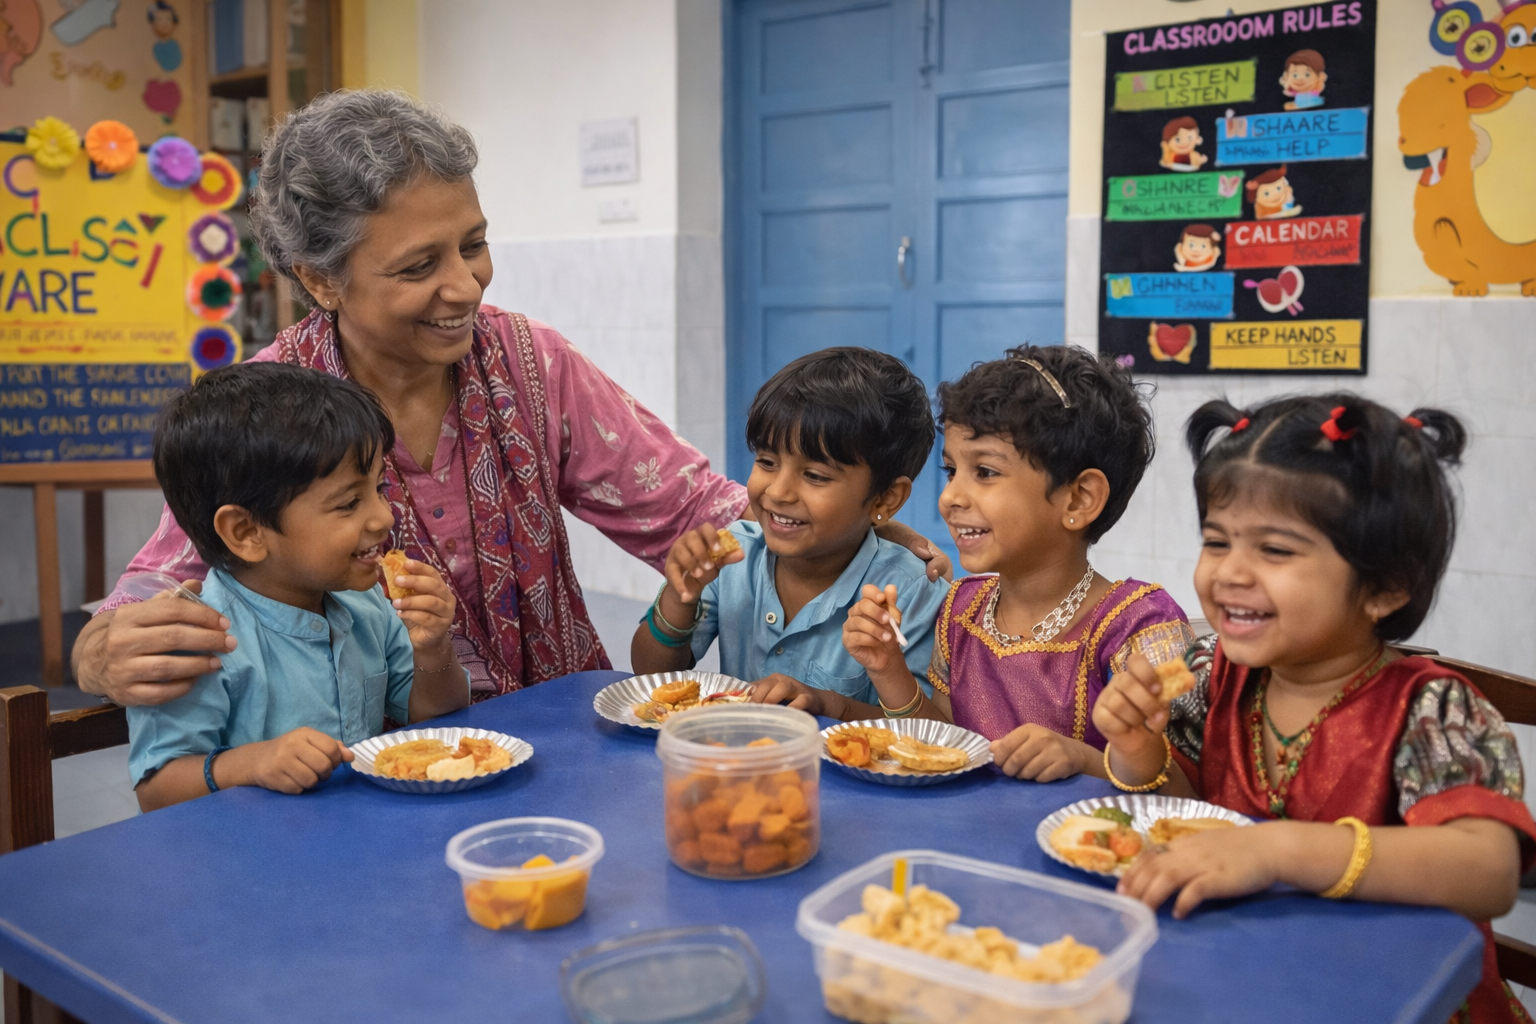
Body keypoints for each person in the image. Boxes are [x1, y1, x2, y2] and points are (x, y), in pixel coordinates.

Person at [70, 90, 947, 708]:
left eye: (474, 244)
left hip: (552, 729)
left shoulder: (531, 365)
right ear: (319, 279)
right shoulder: (272, 409)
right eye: (419, 266)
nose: (466, 286)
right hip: (370, 756)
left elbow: (689, 509)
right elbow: (164, 582)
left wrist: (836, 525)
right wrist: (103, 647)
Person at [1095, 395, 1535, 1024]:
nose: (1230, 572)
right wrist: (1141, 751)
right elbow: (1187, 810)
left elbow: (1488, 872)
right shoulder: (1217, 675)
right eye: (1217, 541)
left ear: (1385, 586)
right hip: (1261, 984)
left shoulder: (1430, 708)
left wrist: (1276, 852)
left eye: (1275, 551)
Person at [130, 363, 471, 810]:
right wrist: (251, 763)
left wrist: (433, 649)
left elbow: (432, 718)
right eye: (349, 503)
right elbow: (156, 790)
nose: (384, 517)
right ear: (246, 532)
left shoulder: (366, 602)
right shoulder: (196, 641)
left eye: (380, 488)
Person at [844, 344, 1192, 781]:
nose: (950, 497)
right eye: (952, 471)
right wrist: (888, 668)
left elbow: (1189, 795)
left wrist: (1083, 760)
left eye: (985, 472)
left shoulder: (1138, 630)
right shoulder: (961, 610)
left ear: (1079, 498)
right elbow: (949, 748)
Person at [631, 348, 949, 720]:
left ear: (885, 498)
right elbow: (649, 677)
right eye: (767, 462)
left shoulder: (912, 593)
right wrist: (679, 596)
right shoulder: (734, 556)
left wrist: (828, 705)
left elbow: (928, 733)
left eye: (815, 476)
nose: (778, 492)